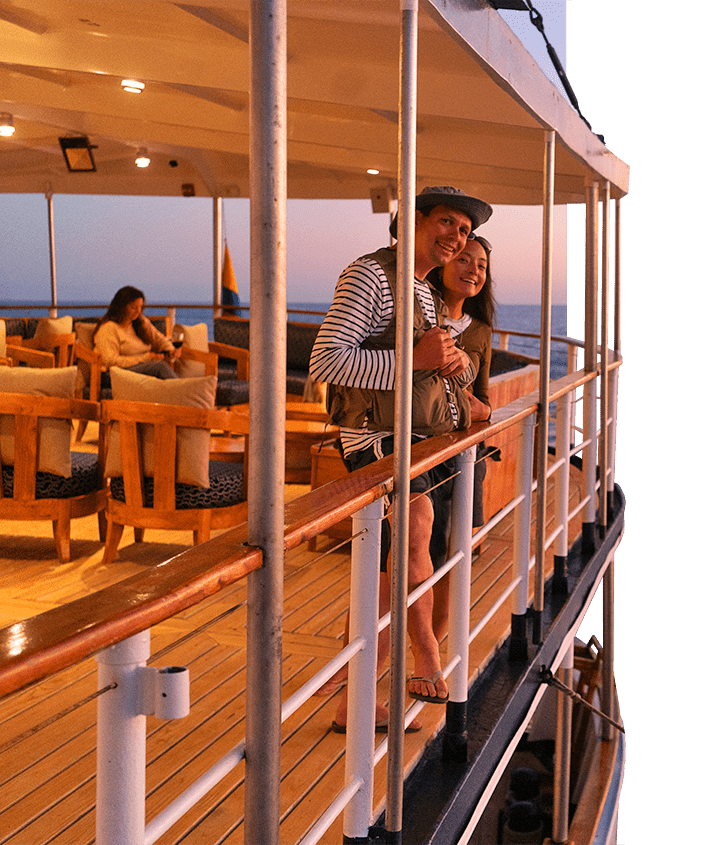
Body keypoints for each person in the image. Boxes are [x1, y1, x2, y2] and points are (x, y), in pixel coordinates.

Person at [309, 186, 492, 732]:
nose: (455, 237)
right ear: (411, 221)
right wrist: (413, 359)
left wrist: (459, 374)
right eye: (445, 223)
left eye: (462, 230)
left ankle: (354, 701)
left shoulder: (422, 291)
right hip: (371, 438)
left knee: (390, 574)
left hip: (410, 437)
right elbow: (326, 359)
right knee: (418, 526)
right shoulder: (370, 275)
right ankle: (428, 655)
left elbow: (427, 366)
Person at [426, 233, 496, 637]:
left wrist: (477, 407)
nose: (474, 270)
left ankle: (430, 646)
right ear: (444, 261)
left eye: (482, 266)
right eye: (466, 260)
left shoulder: (482, 332)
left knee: (456, 555)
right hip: (422, 454)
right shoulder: (420, 316)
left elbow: (484, 403)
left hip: (467, 457)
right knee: (419, 555)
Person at [93, 286, 179, 378]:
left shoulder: (141, 322)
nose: (138, 312)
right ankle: (183, 390)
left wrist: (170, 350)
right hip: (116, 372)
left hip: (141, 368)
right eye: (134, 307)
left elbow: (160, 339)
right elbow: (110, 361)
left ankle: (181, 389)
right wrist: (146, 358)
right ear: (121, 307)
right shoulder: (108, 328)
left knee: (160, 369)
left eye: (140, 307)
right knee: (160, 367)